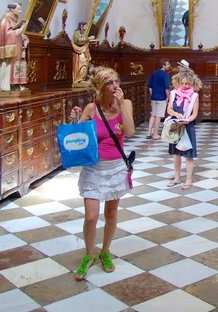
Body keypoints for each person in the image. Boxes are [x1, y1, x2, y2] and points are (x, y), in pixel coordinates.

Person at [67, 67, 135, 280]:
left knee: (111, 214)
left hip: (116, 168)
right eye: (110, 83)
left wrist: (122, 105)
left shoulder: (126, 104)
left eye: (117, 81)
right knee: (91, 216)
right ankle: (89, 255)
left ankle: (105, 251)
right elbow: (79, 138)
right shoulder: (91, 108)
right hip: (94, 169)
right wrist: (76, 119)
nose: (116, 86)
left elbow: (131, 132)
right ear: (100, 87)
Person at [166, 67, 202, 190]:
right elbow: (169, 109)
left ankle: (188, 179)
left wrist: (187, 120)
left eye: (187, 83)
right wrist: (176, 115)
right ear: (178, 82)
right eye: (182, 83)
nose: (185, 85)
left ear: (192, 83)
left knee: (188, 154)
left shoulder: (195, 96)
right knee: (176, 154)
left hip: (188, 127)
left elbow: (195, 113)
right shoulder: (174, 94)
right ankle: (177, 177)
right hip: (176, 126)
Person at [0, 3, 29, 92]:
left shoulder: (15, 20)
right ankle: (8, 84)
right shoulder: (6, 19)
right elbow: (5, 34)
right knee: (10, 66)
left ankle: (16, 84)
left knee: (18, 65)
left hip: (17, 47)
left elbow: (17, 33)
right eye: (18, 9)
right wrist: (20, 30)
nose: (20, 11)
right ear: (12, 9)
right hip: (10, 49)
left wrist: (24, 37)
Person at [146, 59, 171, 139]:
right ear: (163, 65)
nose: (169, 66)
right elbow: (166, 87)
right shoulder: (165, 75)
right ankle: (155, 134)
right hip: (162, 98)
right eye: (167, 64)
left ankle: (149, 133)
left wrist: (152, 95)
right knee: (158, 116)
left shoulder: (153, 73)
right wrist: (168, 97)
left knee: (153, 114)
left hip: (154, 97)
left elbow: (150, 87)